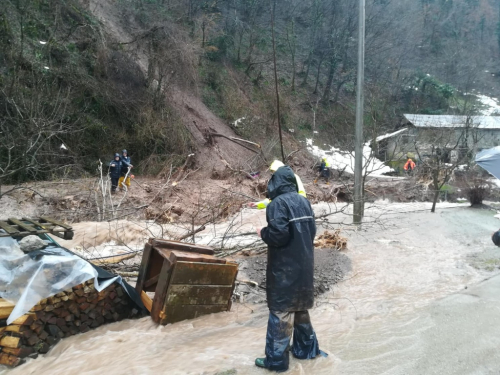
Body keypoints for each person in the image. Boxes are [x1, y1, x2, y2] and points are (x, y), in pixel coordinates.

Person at [255, 164, 326, 372]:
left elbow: (278, 235)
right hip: (304, 264)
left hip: (284, 267)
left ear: (275, 184)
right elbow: (312, 231)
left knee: (281, 311)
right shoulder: (304, 201)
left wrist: (263, 233)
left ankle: (276, 362)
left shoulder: (276, 204)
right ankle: (307, 351)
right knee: (301, 308)